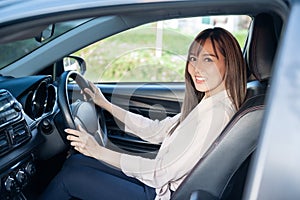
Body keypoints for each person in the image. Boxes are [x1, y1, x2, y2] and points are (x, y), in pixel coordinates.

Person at [40, 27, 247, 200]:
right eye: (193, 59)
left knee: (71, 178)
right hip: (160, 183)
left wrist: (97, 150)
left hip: (160, 193)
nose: (196, 68)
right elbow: (157, 130)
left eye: (208, 60)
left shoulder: (216, 114)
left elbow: (160, 173)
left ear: (229, 63)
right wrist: (105, 104)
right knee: (77, 162)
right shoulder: (209, 102)